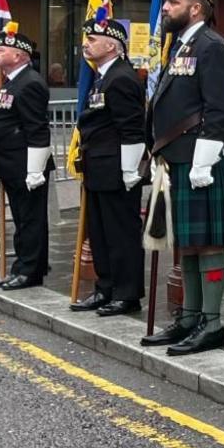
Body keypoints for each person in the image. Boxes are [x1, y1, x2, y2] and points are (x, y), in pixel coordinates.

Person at [141, 0, 224, 356]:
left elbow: (219, 109)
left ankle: (212, 323)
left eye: (173, 3)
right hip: (178, 157)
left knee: (208, 243)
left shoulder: (211, 46)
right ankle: (189, 317)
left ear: (196, 8)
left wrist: (204, 161)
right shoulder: (183, 46)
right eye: (166, 2)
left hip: (202, 159)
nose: (165, 8)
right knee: (187, 243)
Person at [69, 17, 147, 316]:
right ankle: (106, 287)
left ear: (112, 45)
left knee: (121, 234)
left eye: (93, 39)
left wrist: (130, 171)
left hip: (117, 169)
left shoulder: (122, 78)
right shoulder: (103, 77)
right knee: (99, 233)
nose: (86, 44)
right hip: (99, 167)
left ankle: (126, 294)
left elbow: (131, 128)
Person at [0, 26, 53, 291]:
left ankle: (30, 271)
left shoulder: (30, 83)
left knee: (31, 220)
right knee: (22, 220)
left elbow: (37, 129)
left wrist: (35, 171)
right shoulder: (12, 82)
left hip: (25, 165)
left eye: (2, 50)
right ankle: (22, 267)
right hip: (11, 164)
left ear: (21, 56)